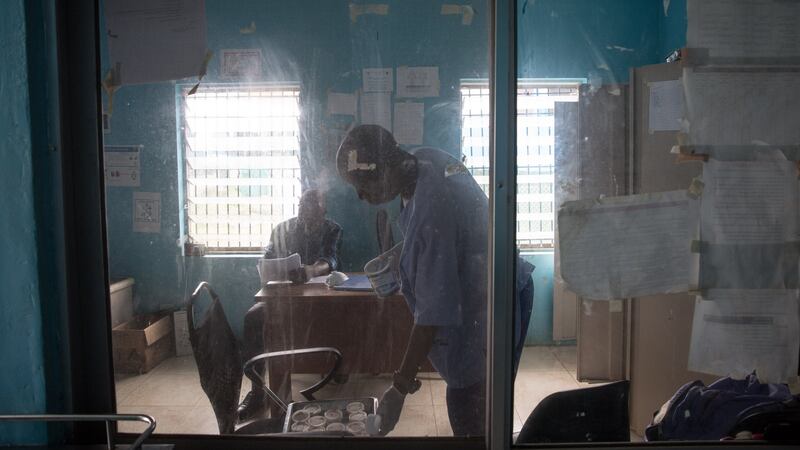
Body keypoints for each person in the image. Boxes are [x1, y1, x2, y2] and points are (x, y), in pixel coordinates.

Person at [336, 125, 534, 436]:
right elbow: (459, 233)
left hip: (492, 305)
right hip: (494, 283)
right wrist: (403, 255)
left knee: (470, 404)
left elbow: (432, 313)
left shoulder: (432, 209)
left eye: (362, 184)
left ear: (385, 168)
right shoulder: (423, 159)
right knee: (474, 401)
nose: (360, 196)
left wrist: (399, 387)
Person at [238, 189, 342, 421]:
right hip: (281, 298)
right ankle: (257, 392)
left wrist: (312, 270)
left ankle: (336, 367)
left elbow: (331, 259)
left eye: (314, 211)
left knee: (339, 316)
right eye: (303, 208)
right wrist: (268, 265)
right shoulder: (283, 229)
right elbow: (267, 256)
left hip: (316, 298)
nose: (307, 215)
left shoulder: (331, 229)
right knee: (252, 318)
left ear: (323, 211)